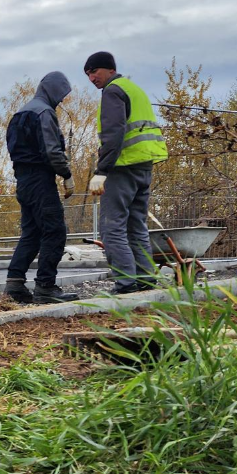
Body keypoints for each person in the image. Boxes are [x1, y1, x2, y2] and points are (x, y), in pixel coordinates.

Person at [85, 52, 168, 294]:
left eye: (94, 72)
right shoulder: (134, 89)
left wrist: (101, 171)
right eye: (88, 74)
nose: (91, 78)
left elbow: (114, 134)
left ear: (109, 69)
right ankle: (145, 278)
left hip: (123, 167)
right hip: (144, 165)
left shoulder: (112, 91)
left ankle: (125, 283)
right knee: (136, 226)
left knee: (113, 228)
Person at [4, 71, 79, 304]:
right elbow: (51, 151)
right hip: (40, 180)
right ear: (53, 90)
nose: (62, 100)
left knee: (32, 233)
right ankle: (46, 286)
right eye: (62, 94)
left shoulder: (20, 112)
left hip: (23, 181)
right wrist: (66, 174)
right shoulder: (44, 112)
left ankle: (14, 284)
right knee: (55, 231)